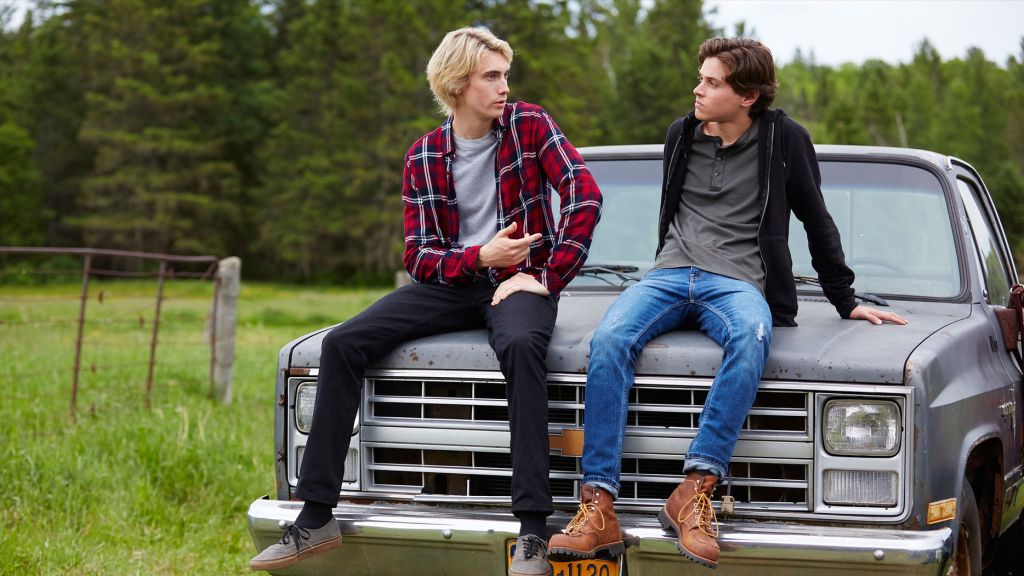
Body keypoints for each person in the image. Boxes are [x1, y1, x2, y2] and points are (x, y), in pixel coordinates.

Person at [249, 27, 602, 575]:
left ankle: (533, 530)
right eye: (491, 76)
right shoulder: (424, 155)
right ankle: (316, 516)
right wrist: (480, 258)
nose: (503, 86)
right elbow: (419, 258)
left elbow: (584, 194)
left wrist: (548, 278)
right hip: (455, 282)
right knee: (341, 344)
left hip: (520, 281)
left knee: (521, 344)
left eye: (505, 74)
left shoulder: (530, 125)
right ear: (457, 85)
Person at [548, 37, 906, 569]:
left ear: (748, 97)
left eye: (712, 82)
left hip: (736, 282)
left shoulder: (785, 139)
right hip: (669, 273)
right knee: (609, 339)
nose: (698, 88)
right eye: (701, 76)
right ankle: (598, 506)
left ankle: (695, 491)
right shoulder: (681, 134)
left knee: (751, 336)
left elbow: (815, 217)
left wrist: (844, 298)